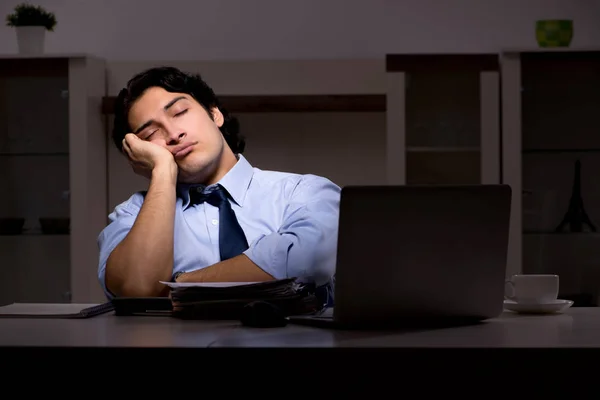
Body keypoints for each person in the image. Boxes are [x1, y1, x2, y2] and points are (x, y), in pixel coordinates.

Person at [97, 66, 340, 306]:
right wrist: (162, 171)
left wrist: (180, 284)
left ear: (215, 114)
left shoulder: (304, 192)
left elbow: (308, 260)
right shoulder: (132, 214)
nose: (173, 134)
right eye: (150, 134)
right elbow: (137, 288)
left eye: (180, 112)